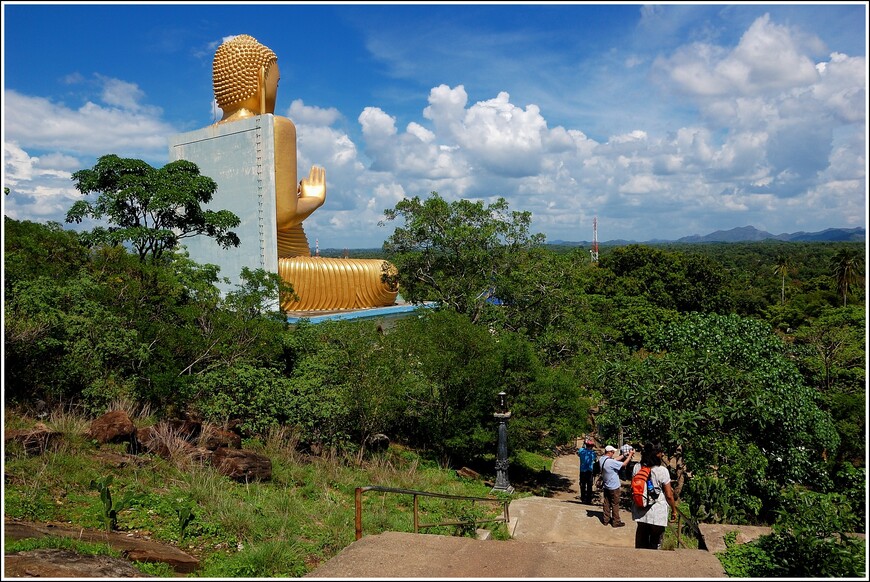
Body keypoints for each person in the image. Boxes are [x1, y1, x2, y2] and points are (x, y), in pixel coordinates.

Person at [211, 34, 398, 310]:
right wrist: (312, 199)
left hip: (219, 274)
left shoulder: (198, 142)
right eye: (276, 82)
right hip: (277, 272)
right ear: (261, 78)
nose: (276, 89)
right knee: (385, 275)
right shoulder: (276, 127)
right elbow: (283, 217)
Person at [631, 442, 678, 549]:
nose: (662, 455)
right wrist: (674, 510)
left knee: (641, 540)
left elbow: (633, 487)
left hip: (641, 508)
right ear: (657, 454)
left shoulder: (637, 467)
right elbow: (669, 495)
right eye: (661, 453)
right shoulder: (662, 471)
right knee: (656, 542)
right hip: (657, 511)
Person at [599, 444, 632, 527]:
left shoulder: (602, 459)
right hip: (614, 487)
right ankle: (616, 521)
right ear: (609, 452)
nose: (613, 453)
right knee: (615, 504)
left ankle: (606, 520)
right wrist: (630, 456)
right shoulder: (610, 462)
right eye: (613, 452)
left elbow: (614, 460)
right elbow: (624, 464)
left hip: (606, 485)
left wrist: (623, 455)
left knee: (606, 503)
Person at [577, 439, 597, 504]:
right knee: (589, 485)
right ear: (592, 446)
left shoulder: (581, 451)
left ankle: (583, 498)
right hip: (590, 471)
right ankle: (588, 500)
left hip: (582, 470)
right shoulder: (593, 453)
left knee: (582, 485)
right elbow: (594, 460)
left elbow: (578, 454)